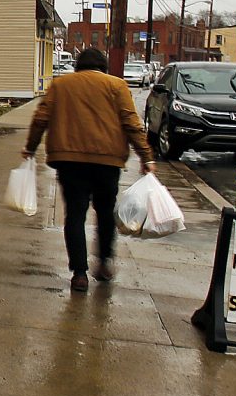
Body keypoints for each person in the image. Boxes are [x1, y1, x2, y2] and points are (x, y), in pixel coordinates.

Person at [22, 47, 153, 292]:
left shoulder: (62, 85)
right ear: (103, 67)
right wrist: (146, 156)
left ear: (77, 66)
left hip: (70, 161)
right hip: (108, 162)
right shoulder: (117, 86)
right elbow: (131, 123)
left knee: (74, 214)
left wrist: (30, 148)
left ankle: (79, 274)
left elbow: (41, 118)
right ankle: (104, 263)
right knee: (105, 213)